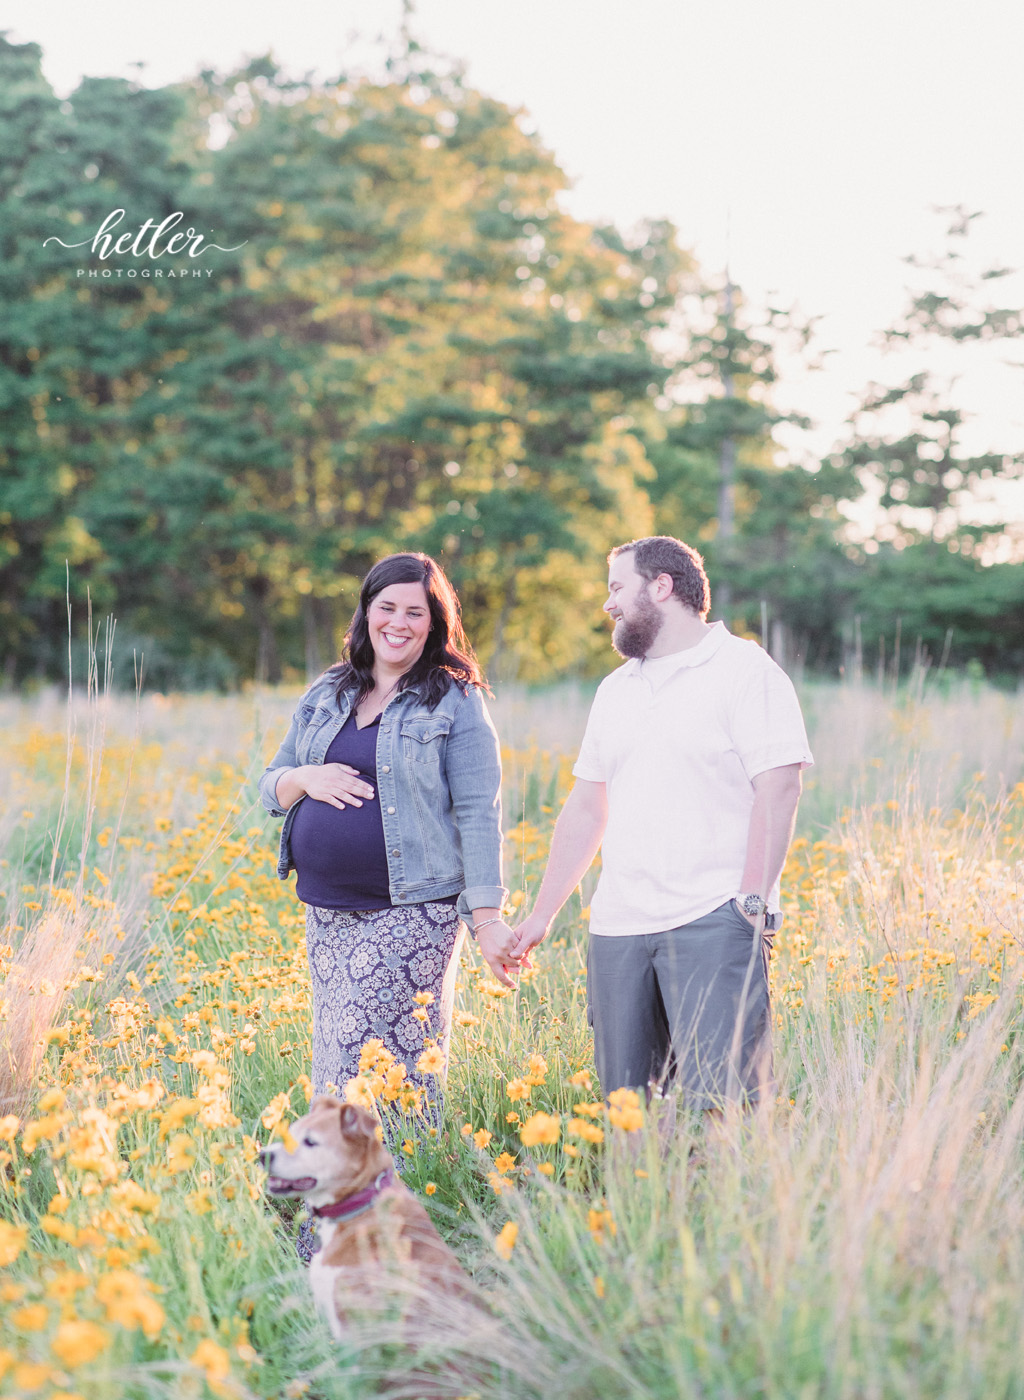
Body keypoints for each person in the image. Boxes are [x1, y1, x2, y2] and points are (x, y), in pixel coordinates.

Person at [511, 536, 813, 1110]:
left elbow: (779, 785)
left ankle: (719, 1203)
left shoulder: (744, 669)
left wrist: (750, 903)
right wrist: (542, 913)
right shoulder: (615, 689)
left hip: (712, 920)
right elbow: (586, 808)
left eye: (616, 588)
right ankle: (636, 1203)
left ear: (662, 586)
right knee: (627, 1109)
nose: (608, 605)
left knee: (721, 1106)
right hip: (619, 928)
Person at [259, 552, 520, 1140]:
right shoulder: (330, 691)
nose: (399, 622)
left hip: (412, 912)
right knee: (343, 1064)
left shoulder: (454, 699)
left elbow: (480, 810)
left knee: (363, 1061)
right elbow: (270, 783)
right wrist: (306, 778)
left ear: (434, 624)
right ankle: (372, 1208)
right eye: (387, 608)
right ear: (367, 613)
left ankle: (350, 1206)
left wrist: (487, 919)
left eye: (416, 611)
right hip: (327, 911)